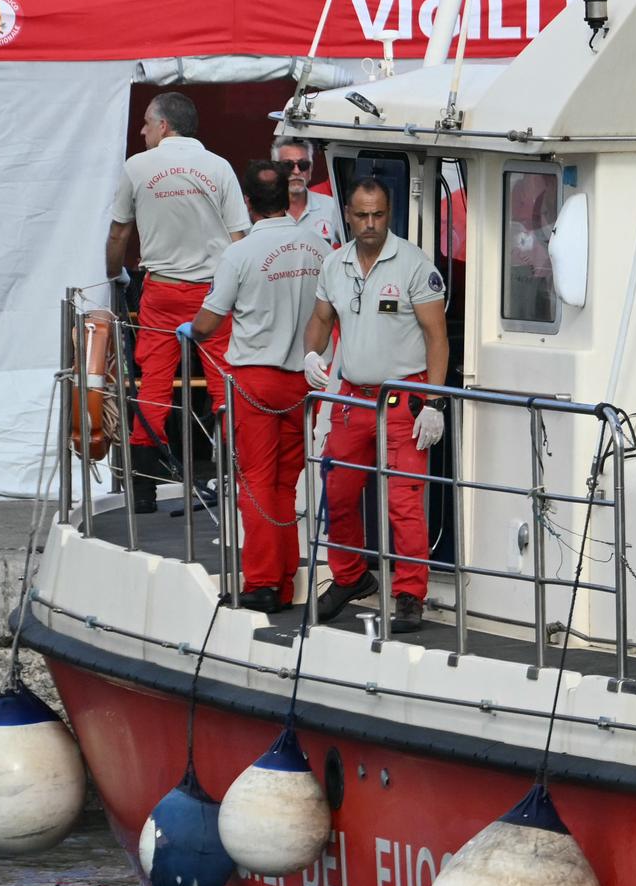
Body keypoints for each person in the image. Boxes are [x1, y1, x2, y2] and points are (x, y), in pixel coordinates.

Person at [304, 178, 450, 633]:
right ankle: (349, 577)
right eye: (362, 215)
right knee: (339, 494)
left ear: (389, 215)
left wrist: (434, 403)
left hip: (403, 398)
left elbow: (437, 338)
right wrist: (313, 355)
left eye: (378, 215)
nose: (370, 224)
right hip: (351, 398)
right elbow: (321, 320)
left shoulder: (413, 264)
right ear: (348, 215)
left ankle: (409, 595)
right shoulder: (334, 264)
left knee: (404, 502)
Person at [188, 161, 329, 612]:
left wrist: (189, 330)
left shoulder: (241, 253)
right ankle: (284, 582)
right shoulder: (320, 247)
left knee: (255, 482)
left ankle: (264, 583)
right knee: (286, 484)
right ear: (289, 199)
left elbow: (210, 322)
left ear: (247, 203)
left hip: (255, 380)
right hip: (303, 380)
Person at [101, 92, 247, 497]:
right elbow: (240, 237)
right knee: (225, 381)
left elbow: (119, 232)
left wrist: (115, 275)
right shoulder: (219, 167)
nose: (141, 130)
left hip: (162, 291)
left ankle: (144, 489)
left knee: (154, 385)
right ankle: (237, 473)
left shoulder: (137, 167)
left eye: (147, 122)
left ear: (164, 126)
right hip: (214, 294)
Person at [273, 136, 342, 249]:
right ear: (275, 168)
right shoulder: (264, 210)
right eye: (287, 165)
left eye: (303, 165)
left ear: (310, 169)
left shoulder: (332, 206)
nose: (296, 171)